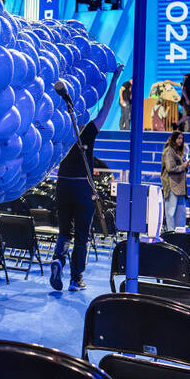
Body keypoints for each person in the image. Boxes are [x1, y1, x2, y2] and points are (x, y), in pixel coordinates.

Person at [50, 62, 124, 292]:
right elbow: (108, 107)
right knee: (82, 235)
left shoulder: (62, 129)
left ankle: (58, 260)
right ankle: (75, 279)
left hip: (62, 184)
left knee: (64, 231)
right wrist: (115, 79)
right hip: (83, 187)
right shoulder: (89, 130)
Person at [160, 131, 190, 232]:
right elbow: (170, 168)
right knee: (171, 212)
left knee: (181, 213)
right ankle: (170, 233)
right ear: (174, 139)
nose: (181, 140)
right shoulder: (169, 151)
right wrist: (183, 166)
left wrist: (185, 167)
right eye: (178, 138)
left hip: (180, 187)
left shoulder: (176, 151)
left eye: (182, 138)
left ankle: (178, 233)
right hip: (171, 186)